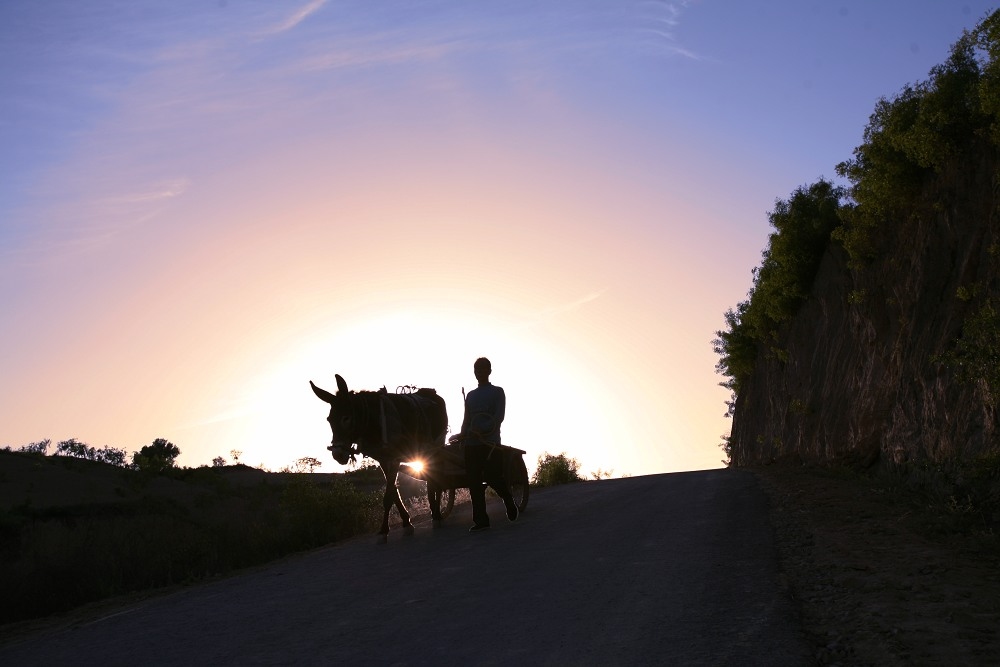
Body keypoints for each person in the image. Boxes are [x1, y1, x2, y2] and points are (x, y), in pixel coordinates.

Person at [453, 357, 518, 532]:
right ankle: (481, 520)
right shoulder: (471, 395)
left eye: (482, 369)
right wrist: (462, 434)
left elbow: (498, 418)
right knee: (473, 481)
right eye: (476, 370)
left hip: (490, 444)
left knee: (493, 476)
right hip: (471, 444)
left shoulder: (498, 392)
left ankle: (508, 499)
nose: (479, 373)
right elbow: (466, 420)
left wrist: (481, 431)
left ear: (489, 371)